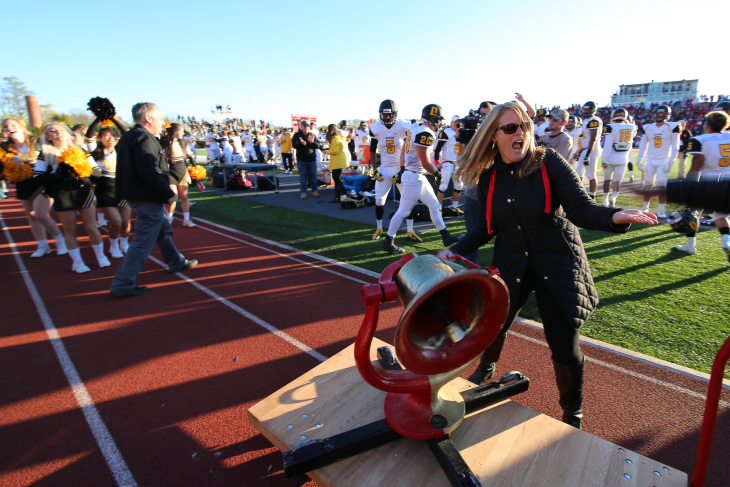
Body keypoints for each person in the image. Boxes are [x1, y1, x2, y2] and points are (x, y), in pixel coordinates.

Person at [439, 101, 656, 429]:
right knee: (495, 322)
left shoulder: (548, 161)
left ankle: (573, 414)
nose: (521, 133)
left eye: (524, 125)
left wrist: (614, 216)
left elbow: (581, 208)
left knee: (564, 346)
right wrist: (454, 250)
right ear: (493, 137)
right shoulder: (489, 176)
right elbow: (485, 228)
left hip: (557, 261)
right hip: (512, 262)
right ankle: (486, 367)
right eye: (510, 128)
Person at [110, 102, 198, 297]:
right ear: (148, 118)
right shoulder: (144, 138)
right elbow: (148, 170)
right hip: (146, 196)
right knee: (143, 241)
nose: (162, 123)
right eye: (159, 118)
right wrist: (167, 193)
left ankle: (176, 261)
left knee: (163, 231)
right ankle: (122, 284)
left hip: (136, 195)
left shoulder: (128, 137)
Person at [381, 104, 459, 254]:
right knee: (403, 212)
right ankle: (388, 242)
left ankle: (446, 235)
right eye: (439, 119)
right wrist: (437, 174)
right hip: (414, 176)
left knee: (434, 205)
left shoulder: (415, 127)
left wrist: (402, 167)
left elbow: (404, 148)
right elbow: (425, 162)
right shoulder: (426, 133)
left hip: (415, 175)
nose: (441, 122)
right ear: (433, 118)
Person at [35, 123, 109, 273]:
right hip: (63, 193)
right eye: (53, 131)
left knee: (92, 228)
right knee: (70, 230)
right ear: (47, 136)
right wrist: (58, 176)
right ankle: (77, 262)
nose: (58, 132)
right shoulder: (46, 154)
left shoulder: (79, 150)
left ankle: (100, 256)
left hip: (83, 191)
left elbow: (97, 172)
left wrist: (81, 171)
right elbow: (37, 177)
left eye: (61, 129)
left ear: (67, 133)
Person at [0, 118, 66, 257]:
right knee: (31, 215)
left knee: (40, 214)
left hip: (41, 180)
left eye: (13, 125)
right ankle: (42, 245)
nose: (9, 128)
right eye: (6, 126)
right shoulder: (5, 147)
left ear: (22, 127)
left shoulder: (36, 141)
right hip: (23, 182)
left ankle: (60, 241)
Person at [674, 110, 730, 258]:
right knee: (721, 216)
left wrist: (689, 186)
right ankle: (727, 242)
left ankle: (690, 246)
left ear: (708, 124)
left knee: (692, 213)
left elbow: (696, 165)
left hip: (707, 183)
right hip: (726, 184)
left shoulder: (701, 140)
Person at [368, 99, 419, 241]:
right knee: (379, 200)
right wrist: (374, 168)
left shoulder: (404, 126)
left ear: (395, 114)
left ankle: (410, 230)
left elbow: (411, 146)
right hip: (384, 168)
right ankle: (379, 227)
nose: (386, 117)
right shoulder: (376, 128)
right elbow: (372, 150)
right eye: (384, 115)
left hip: (400, 168)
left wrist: (404, 169)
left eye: (389, 115)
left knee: (408, 201)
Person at [86, 117, 132, 257]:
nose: (110, 138)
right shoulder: (96, 151)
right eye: (106, 135)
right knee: (116, 222)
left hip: (123, 189)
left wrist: (112, 118)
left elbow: (126, 134)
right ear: (99, 138)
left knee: (125, 222)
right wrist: (98, 119)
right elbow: (88, 135)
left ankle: (124, 244)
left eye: (112, 135)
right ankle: (114, 246)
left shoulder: (121, 149)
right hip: (105, 191)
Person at [636, 104, 681, 218]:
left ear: (668, 115)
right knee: (648, 184)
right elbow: (642, 146)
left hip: (664, 159)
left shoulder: (673, 126)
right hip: (650, 159)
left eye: (663, 114)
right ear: (654, 115)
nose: (660, 116)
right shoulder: (647, 127)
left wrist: (671, 162)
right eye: (658, 114)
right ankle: (645, 207)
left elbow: (676, 147)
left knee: (661, 185)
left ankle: (661, 209)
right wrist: (639, 160)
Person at [600, 108, 636, 207]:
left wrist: (604, 158)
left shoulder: (610, 126)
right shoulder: (632, 127)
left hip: (610, 157)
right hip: (623, 158)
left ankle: (605, 199)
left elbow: (607, 145)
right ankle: (613, 198)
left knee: (607, 179)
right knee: (617, 181)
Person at [163, 123, 196, 227]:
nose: (183, 133)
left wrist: (195, 168)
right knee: (173, 197)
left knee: (184, 197)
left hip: (182, 170)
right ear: (175, 132)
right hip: (169, 171)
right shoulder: (164, 142)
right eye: (181, 131)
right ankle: (169, 218)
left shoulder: (183, 142)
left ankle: (186, 220)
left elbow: (190, 155)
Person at [434, 115, 465, 214]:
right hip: (447, 162)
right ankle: (439, 209)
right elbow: (437, 148)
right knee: (443, 186)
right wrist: (437, 162)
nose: (457, 123)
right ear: (451, 122)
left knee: (459, 186)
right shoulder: (446, 132)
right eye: (455, 121)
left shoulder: (463, 132)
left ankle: (455, 206)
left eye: (459, 121)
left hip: (458, 162)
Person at [575, 101, 603, 199]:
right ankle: (580, 194)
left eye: (588, 109)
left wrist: (588, 154)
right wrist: (582, 150)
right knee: (578, 173)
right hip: (586, 149)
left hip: (592, 150)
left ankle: (592, 196)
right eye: (585, 109)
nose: (586, 111)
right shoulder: (587, 120)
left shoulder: (593, 120)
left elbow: (593, 139)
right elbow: (585, 138)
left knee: (591, 174)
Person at [291, 120, 321, 199]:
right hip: (302, 160)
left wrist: (312, 142)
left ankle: (314, 191)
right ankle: (303, 192)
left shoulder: (312, 135)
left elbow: (318, 145)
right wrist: (301, 144)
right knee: (303, 177)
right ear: (301, 126)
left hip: (312, 159)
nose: (307, 127)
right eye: (305, 126)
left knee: (313, 176)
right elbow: (294, 145)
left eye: (308, 126)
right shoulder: (297, 135)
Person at [322, 124, 348, 203]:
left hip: (337, 161)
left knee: (336, 179)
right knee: (337, 179)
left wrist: (326, 151)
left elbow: (334, 151)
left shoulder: (334, 139)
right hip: (339, 160)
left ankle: (341, 195)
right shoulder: (338, 138)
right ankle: (340, 195)